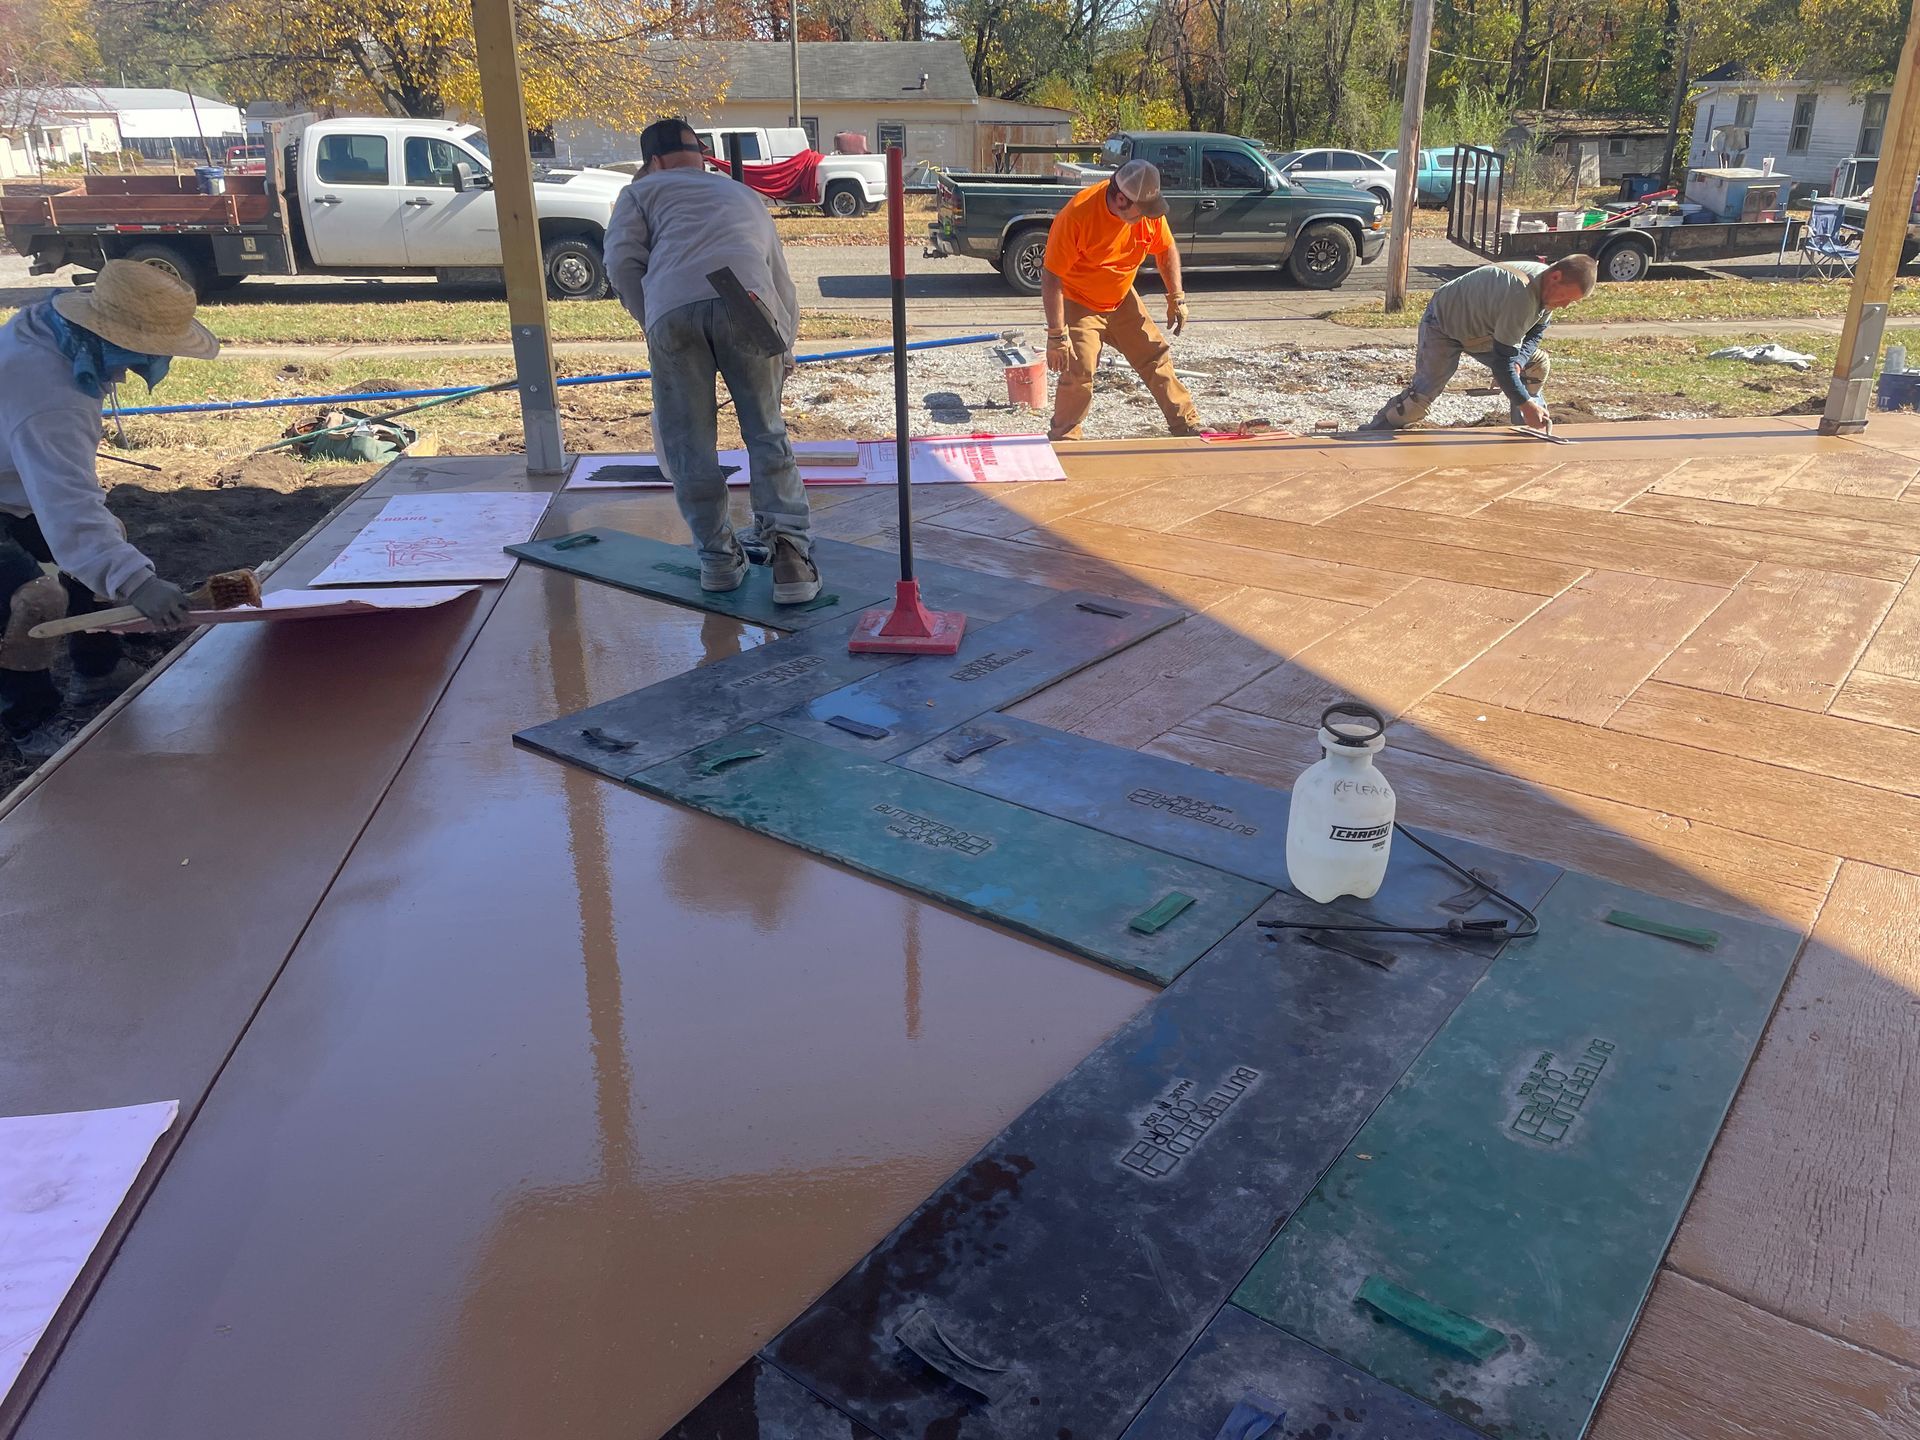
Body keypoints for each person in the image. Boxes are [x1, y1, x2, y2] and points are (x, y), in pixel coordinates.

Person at [1, 259, 219, 748]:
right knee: (35, 596)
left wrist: (114, 565)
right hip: (15, 482)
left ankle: (95, 672)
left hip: (12, 480)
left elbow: (64, 499)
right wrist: (137, 582)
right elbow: (67, 505)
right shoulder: (48, 395)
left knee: (96, 554)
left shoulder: (52, 330)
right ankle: (30, 720)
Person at [604, 116, 818, 604]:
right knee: (766, 431)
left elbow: (619, 262)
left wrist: (652, 316)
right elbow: (780, 279)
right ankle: (790, 559)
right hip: (747, 300)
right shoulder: (742, 195)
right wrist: (785, 344)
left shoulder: (641, 193)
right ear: (701, 156)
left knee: (690, 443)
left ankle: (719, 561)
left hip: (673, 307)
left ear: (651, 161)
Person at [1041, 159, 1202, 443]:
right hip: (1079, 301)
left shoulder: (1147, 214)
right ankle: (1064, 440)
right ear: (1120, 199)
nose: (1148, 219)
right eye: (1142, 213)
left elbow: (1166, 250)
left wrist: (1176, 296)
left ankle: (1186, 425)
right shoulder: (1078, 216)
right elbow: (1052, 277)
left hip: (1121, 296)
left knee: (1154, 355)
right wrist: (1056, 335)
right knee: (1079, 369)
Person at [1365, 255, 1598, 431]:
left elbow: (1535, 332)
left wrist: (1518, 362)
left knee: (1533, 366)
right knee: (1418, 401)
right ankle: (1371, 433)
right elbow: (1501, 362)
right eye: (1566, 298)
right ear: (1555, 277)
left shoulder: (1547, 290)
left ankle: (1527, 432)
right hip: (1444, 324)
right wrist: (1523, 398)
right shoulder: (1522, 294)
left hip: (1485, 332)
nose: (1565, 305)